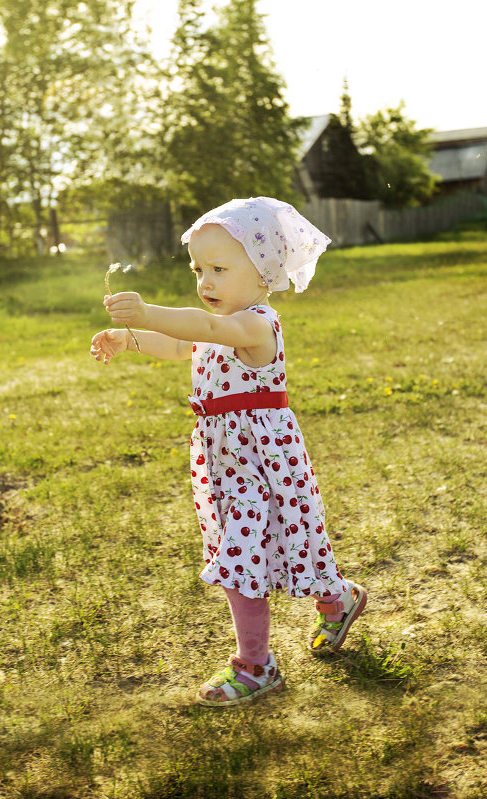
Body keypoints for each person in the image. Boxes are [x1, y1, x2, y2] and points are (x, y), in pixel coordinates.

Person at [90, 196, 367, 707]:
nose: (205, 282)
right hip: (225, 465)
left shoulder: (257, 325)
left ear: (263, 272)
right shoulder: (211, 328)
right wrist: (130, 338)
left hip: (264, 465)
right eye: (199, 269)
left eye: (219, 268)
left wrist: (150, 311)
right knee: (255, 553)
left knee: (274, 549)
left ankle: (261, 662)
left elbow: (211, 330)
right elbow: (181, 344)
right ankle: (334, 602)